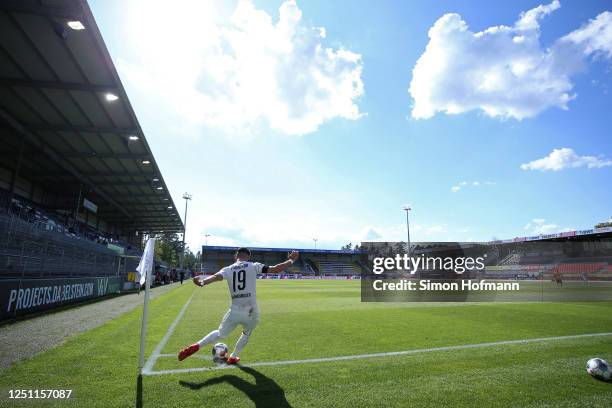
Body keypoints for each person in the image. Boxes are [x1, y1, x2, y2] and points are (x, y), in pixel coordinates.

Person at [178, 247, 299, 364]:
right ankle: (233, 357)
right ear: (248, 256)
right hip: (251, 311)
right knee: (247, 333)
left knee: (220, 333)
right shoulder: (253, 265)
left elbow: (216, 277)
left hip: (235, 310)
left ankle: (197, 345)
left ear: (236, 256)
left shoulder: (228, 269)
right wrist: (291, 260)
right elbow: (276, 269)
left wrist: (202, 282)